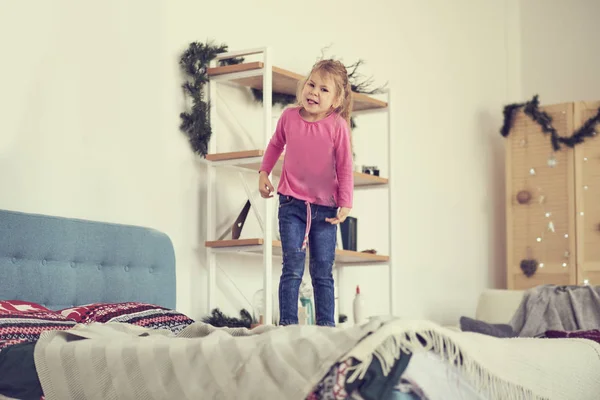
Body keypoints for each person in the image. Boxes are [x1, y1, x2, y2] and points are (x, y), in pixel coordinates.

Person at [258, 59, 354, 327]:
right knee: (292, 268)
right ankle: (287, 326)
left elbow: (345, 166)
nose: (314, 92)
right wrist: (264, 172)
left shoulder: (337, 126)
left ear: (335, 101)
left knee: (322, 271)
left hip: (325, 209)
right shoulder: (289, 116)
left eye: (324, 90)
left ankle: (327, 329)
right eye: (311, 85)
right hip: (291, 204)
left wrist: (345, 202)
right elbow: (276, 144)